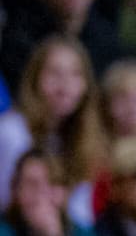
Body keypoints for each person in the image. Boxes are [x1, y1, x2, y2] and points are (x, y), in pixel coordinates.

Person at [0, 35, 107, 224]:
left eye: (75, 74)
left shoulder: (85, 139)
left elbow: (81, 216)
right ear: (35, 79)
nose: (65, 84)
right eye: (54, 73)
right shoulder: (11, 131)